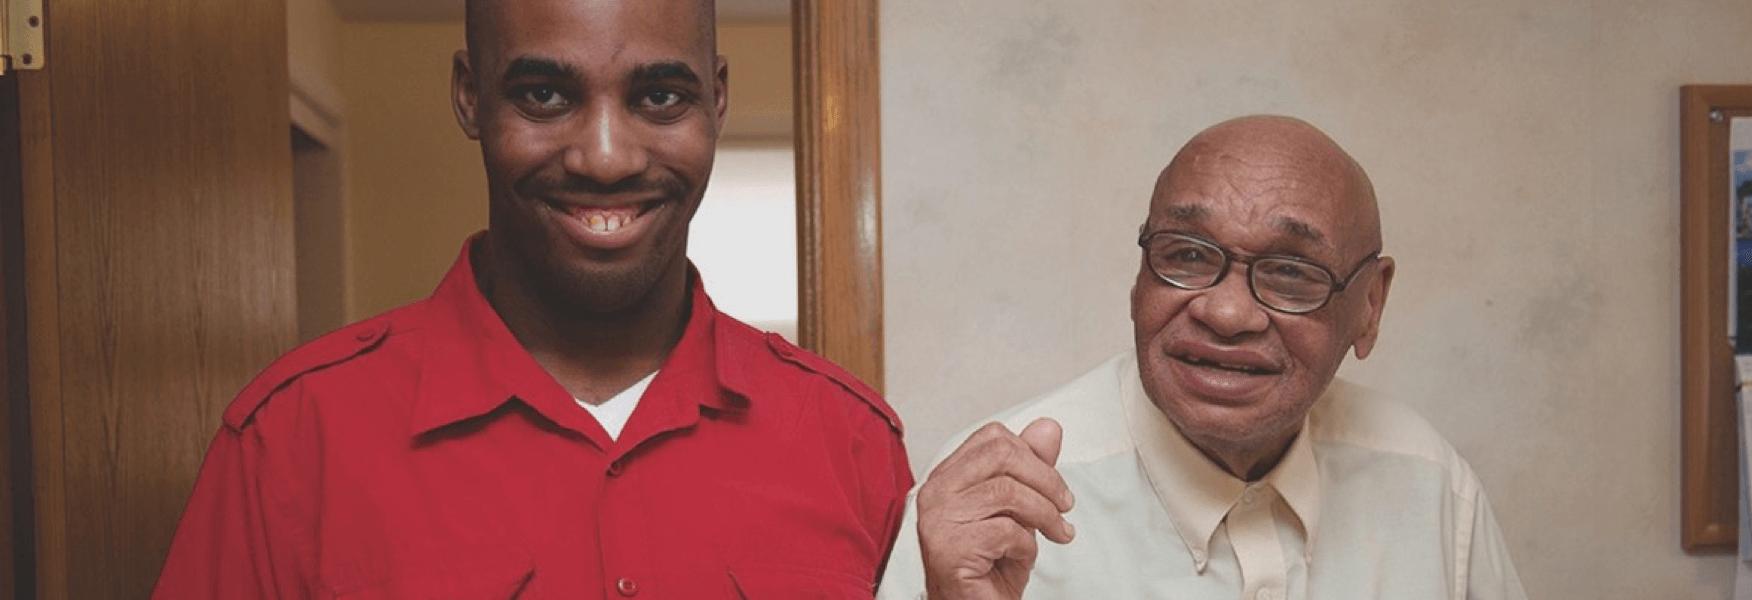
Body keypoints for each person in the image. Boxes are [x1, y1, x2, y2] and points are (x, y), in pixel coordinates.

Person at [151, 0, 912, 597]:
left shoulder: (851, 443)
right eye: (545, 95)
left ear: (715, 101)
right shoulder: (289, 442)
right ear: (470, 96)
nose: (606, 158)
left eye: (659, 96)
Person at [878, 116, 1527, 600]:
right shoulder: (992, 502)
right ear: (1139, 277)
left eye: (1292, 270)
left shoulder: (1430, 483)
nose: (1227, 313)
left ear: (1370, 306)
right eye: (1187, 254)